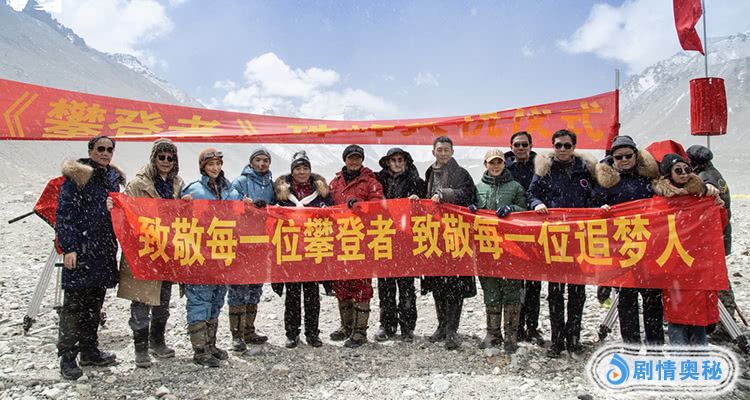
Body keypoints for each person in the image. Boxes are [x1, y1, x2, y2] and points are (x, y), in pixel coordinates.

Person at [56, 136, 124, 380]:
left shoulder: (112, 179)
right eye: (100, 149)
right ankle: (67, 357)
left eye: (109, 150)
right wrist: (70, 248)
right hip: (81, 250)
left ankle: (89, 351)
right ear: (91, 150)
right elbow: (65, 214)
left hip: (103, 251)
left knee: (95, 304)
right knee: (74, 306)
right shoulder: (78, 176)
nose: (105, 153)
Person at [527, 129, 597, 358]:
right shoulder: (544, 169)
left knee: (578, 291)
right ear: (553, 146)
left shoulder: (587, 169)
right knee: (555, 292)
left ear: (574, 147)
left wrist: (597, 209)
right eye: (559, 145)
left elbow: (597, 195)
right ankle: (557, 341)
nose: (563, 149)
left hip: (579, 238)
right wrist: (537, 204)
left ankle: (574, 339)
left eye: (567, 145)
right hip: (554, 239)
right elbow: (531, 194)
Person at [116, 139, 183, 368]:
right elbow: (127, 215)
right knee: (142, 300)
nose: (165, 161)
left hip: (166, 250)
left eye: (170, 158)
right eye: (161, 157)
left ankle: (157, 341)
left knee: (163, 300)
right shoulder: (138, 184)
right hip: (143, 250)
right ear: (154, 158)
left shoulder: (178, 184)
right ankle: (140, 348)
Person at [594, 135, 664, 346]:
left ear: (636, 154)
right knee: (626, 301)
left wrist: (706, 189)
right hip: (621, 248)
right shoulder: (605, 182)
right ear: (612, 158)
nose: (624, 160)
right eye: (619, 157)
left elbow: (675, 189)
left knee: (653, 300)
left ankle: (655, 346)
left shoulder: (650, 176)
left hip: (649, 246)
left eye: (628, 155)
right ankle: (631, 345)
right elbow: (592, 204)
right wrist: (600, 208)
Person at [181, 148, 243, 367]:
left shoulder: (230, 190)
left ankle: (211, 344)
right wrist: (182, 205)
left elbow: (240, 212)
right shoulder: (193, 190)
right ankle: (200, 350)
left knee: (217, 299)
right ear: (203, 167)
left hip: (223, 253)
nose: (215, 168)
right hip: (200, 254)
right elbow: (176, 217)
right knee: (199, 299)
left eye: (218, 164)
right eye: (210, 164)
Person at [652, 153, 720, 345]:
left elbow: (717, 225)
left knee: (698, 316)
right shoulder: (659, 201)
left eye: (687, 169)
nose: (683, 174)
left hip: (696, 263)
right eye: (678, 170)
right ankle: (680, 354)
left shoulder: (700, 196)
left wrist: (716, 203)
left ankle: (699, 354)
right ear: (668, 174)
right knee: (678, 316)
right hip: (673, 265)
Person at [272, 151, 332, 348]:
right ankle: (292, 333)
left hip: (313, 248)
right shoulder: (281, 193)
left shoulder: (321, 192)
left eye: (305, 168)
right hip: (291, 249)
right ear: (292, 171)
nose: (302, 171)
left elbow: (333, 214)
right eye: (298, 168)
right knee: (292, 295)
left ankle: (312, 333)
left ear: (310, 170)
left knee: (312, 295)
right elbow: (271, 215)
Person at [423, 136, 477, 350]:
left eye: (447, 150)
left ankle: (452, 330)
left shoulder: (461, 173)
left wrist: (444, 194)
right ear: (433, 151)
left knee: (455, 285)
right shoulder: (429, 172)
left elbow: (467, 194)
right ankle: (441, 325)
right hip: (435, 235)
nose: (443, 153)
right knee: (437, 283)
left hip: (456, 234)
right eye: (440, 149)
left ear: (452, 152)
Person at [328, 144, 385, 347]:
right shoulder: (334, 183)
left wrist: (361, 207)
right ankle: (346, 325)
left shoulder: (371, 183)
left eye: (357, 158)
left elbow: (378, 207)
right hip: (339, 240)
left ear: (362, 160)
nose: (354, 161)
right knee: (341, 283)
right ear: (344, 160)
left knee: (361, 285)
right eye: (350, 158)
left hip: (361, 240)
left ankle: (360, 331)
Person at [474, 149, 527, 353]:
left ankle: (511, 335)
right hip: (487, 247)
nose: (495, 166)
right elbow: (470, 211)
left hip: (511, 248)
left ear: (504, 164)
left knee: (512, 291)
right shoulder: (478, 187)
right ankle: (493, 333)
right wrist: (472, 208)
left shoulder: (515, 187)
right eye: (491, 163)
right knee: (490, 290)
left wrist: (512, 209)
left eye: (499, 162)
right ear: (485, 164)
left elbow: (526, 212)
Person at [374, 147, 425, 343]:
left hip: (407, 240)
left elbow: (426, 205)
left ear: (406, 162)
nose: (397, 163)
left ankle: (407, 327)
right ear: (387, 162)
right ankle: (387, 325)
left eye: (400, 160)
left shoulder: (416, 181)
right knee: (385, 286)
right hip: (384, 237)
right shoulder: (378, 181)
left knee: (406, 287)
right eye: (393, 160)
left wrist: (417, 200)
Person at [227, 147, 274, 351]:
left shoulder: (271, 185)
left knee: (255, 288)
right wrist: (248, 206)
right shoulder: (240, 182)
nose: (262, 164)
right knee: (238, 288)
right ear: (251, 162)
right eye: (258, 160)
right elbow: (230, 204)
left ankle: (249, 330)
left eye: (265, 160)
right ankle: (236, 335)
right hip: (241, 243)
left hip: (261, 244)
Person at [687, 144, 736, 337]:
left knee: (717, 279)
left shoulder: (705, 179)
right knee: (719, 277)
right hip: (721, 234)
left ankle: (724, 324)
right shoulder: (715, 174)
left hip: (712, 237)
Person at [504, 131, 544, 346]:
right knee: (514, 282)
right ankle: (516, 327)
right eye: (517, 145)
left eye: (524, 144)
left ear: (531, 145)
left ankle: (532, 326)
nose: (521, 148)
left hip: (536, 230)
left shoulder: (541, 166)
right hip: (512, 231)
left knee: (534, 283)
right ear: (511, 146)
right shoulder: (504, 167)